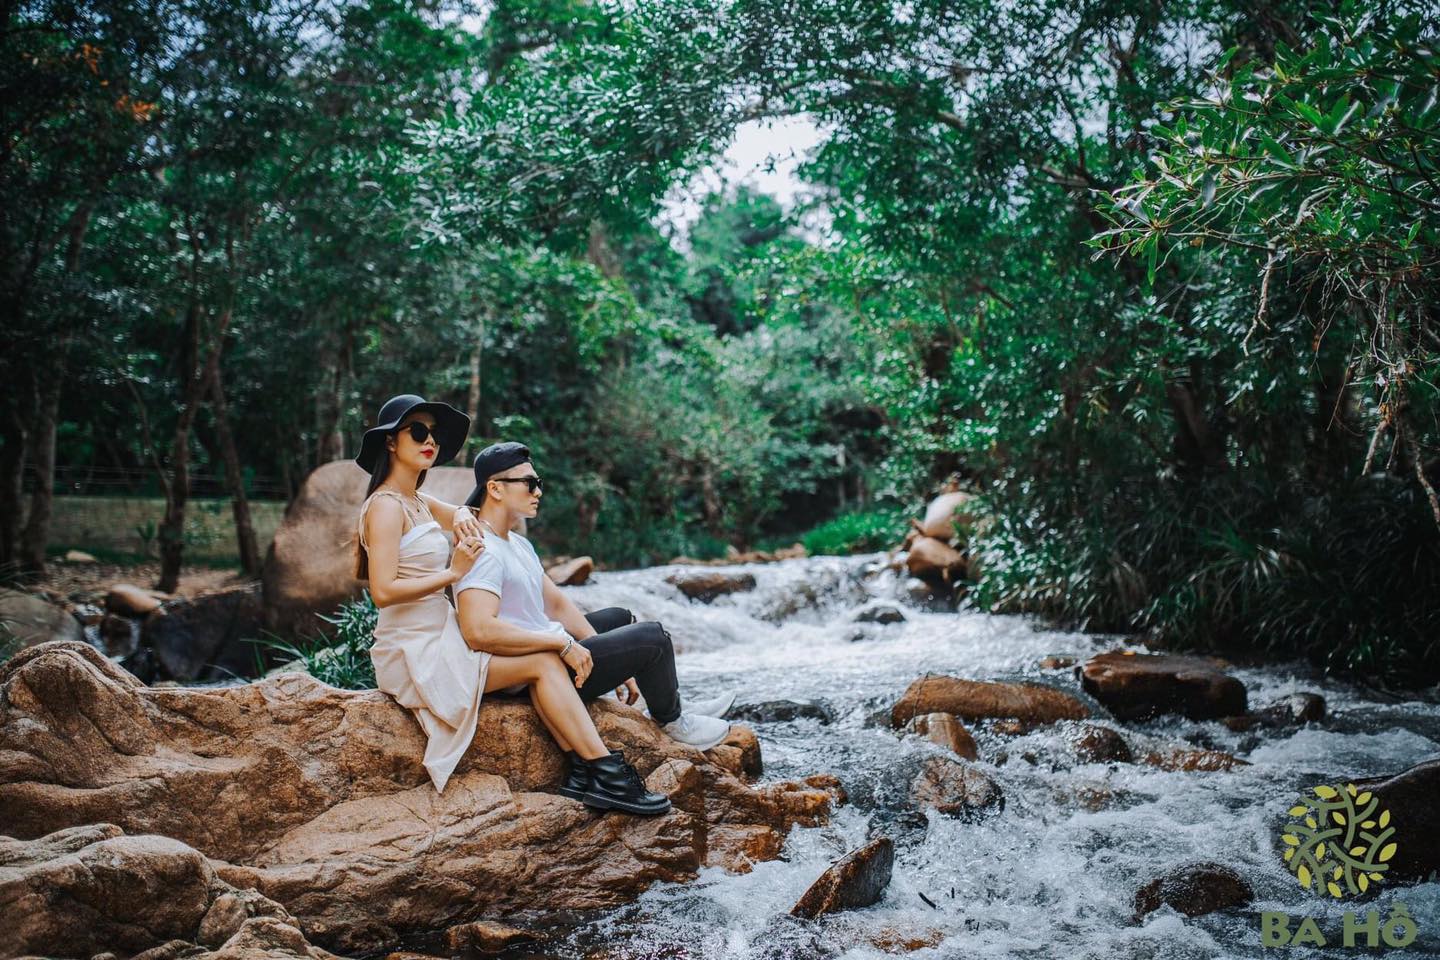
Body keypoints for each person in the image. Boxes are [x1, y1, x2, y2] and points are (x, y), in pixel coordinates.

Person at [454, 441, 735, 815]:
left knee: (619, 617)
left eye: (539, 483)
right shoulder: (481, 550)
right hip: (529, 669)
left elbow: (555, 603)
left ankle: (673, 700)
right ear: (495, 488)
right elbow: (478, 630)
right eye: (530, 483)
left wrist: (602, 648)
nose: (539, 492)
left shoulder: (517, 543)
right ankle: (673, 721)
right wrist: (563, 644)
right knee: (653, 638)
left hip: (545, 648)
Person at [355, 394, 489, 794]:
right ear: (391, 443)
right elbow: (382, 591)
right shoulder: (385, 507)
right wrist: (452, 573)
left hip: (440, 633)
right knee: (537, 663)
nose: (429, 439)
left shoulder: (416, 500)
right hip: (411, 648)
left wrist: (464, 513)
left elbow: (463, 513)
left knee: (530, 656)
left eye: (433, 433)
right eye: (417, 431)